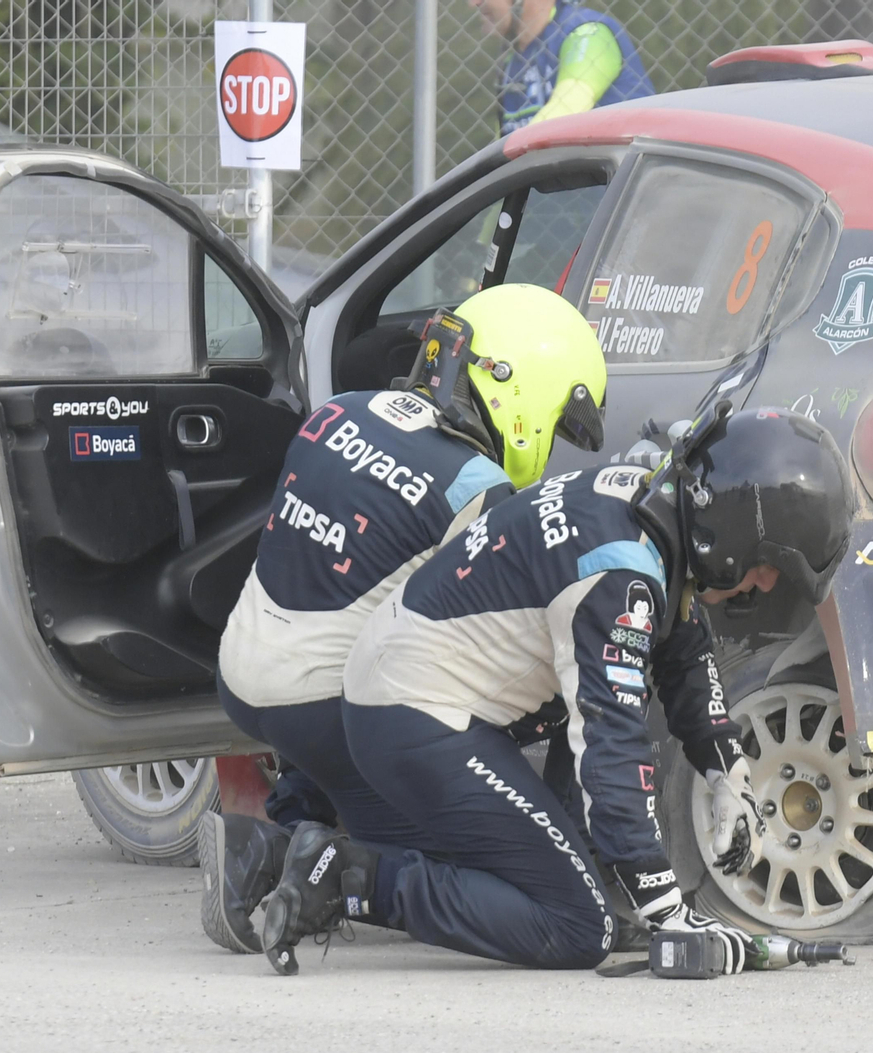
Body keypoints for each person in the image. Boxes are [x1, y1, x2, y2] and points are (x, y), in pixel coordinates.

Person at [261, 404, 854, 974]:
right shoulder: (617, 574)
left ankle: (267, 856)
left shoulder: (652, 501)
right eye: (769, 564)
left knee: (586, 872)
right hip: (413, 712)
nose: (767, 582)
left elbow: (683, 646)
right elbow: (612, 744)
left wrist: (731, 773)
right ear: (729, 535)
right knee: (578, 927)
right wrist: (668, 911)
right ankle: (345, 875)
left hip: (418, 691)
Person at [198, 282, 607, 954]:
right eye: (560, 420)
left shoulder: (336, 413)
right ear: (525, 390)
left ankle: (278, 835)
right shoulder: (476, 489)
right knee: (497, 866)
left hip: (244, 679)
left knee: (354, 628)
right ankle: (290, 857)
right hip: (336, 710)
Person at [469, 0, 655, 135]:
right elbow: (500, 147)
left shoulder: (586, 34)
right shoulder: (511, 63)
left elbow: (563, 114)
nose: (473, 3)